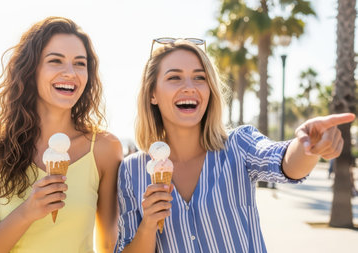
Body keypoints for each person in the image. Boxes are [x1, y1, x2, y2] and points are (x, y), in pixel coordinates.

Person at [116, 38, 356, 252]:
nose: (189, 86)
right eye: (174, 77)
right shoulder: (132, 171)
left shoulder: (239, 145)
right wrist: (148, 225)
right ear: (152, 94)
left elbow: (282, 161)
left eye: (200, 77)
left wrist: (307, 147)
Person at [0, 17, 123, 253]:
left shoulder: (104, 149)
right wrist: (27, 212)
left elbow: (108, 245)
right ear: (31, 70)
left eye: (80, 64)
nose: (70, 72)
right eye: (56, 61)